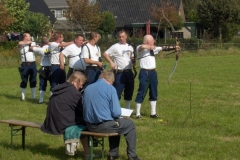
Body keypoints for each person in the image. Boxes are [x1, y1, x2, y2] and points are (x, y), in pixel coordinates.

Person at [83, 70, 141, 160]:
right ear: (110, 80)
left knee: (116, 123)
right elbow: (116, 112)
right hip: (103, 126)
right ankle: (132, 156)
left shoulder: (88, 88)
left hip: (89, 125)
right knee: (129, 124)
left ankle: (113, 154)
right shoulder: (110, 89)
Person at [41, 71, 90, 159]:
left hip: (50, 122)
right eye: (81, 84)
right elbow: (82, 111)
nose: (81, 87)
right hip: (61, 123)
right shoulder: (75, 93)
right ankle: (88, 154)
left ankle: (86, 153)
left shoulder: (59, 88)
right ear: (75, 81)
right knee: (88, 125)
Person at [135, 34, 180, 119]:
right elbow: (142, 46)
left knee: (154, 92)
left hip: (153, 73)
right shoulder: (139, 48)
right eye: (152, 40)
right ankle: (137, 114)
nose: (154, 41)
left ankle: (153, 113)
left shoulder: (154, 49)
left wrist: (175, 47)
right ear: (148, 41)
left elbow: (164, 48)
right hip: (145, 73)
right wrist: (149, 47)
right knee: (142, 91)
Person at [103, 30, 135, 109]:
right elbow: (105, 54)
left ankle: (128, 109)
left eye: (123, 37)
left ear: (126, 37)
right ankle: (116, 109)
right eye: (120, 37)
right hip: (120, 72)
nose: (121, 38)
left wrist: (133, 61)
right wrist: (111, 62)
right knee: (118, 91)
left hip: (129, 71)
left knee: (129, 90)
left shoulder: (130, 47)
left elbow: (132, 58)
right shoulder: (115, 46)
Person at [30, 36, 51, 104]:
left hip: (43, 68)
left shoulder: (40, 49)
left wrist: (38, 45)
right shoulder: (52, 47)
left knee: (42, 84)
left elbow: (31, 48)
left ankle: (41, 100)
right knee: (52, 83)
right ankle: (51, 99)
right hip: (51, 67)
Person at [18, 32, 37, 101]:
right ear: (25, 37)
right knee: (24, 80)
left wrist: (31, 43)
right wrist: (28, 42)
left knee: (33, 79)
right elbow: (20, 43)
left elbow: (37, 46)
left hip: (33, 64)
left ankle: (34, 97)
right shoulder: (21, 44)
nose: (30, 37)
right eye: (29, 36)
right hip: (25, 64)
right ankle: (23, 97)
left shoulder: (32, 43)